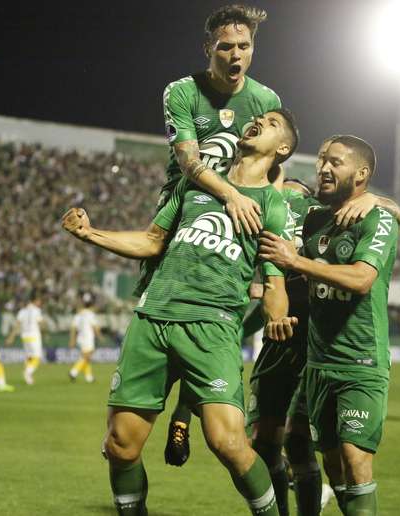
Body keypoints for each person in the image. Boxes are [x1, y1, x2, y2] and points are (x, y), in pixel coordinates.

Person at [62, 109, 300, 516]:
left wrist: (276, 316)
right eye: (258, 116)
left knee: (228, 443)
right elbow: (153, 242)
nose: (258, 120)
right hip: (153, 317)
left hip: (213, 325)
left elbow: (275, 282)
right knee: (120, 445)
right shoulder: (195, 185)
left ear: (283, 149)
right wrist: (90, 233)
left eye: (273, 122)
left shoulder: (274, 206)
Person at [145, 5, 284, 464]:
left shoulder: (265, 99)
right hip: (184, 213)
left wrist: (269, 219)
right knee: (165, 319)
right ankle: (140, 411)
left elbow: (273, 172)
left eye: (244, 46)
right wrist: (230, 196)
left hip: (238, 226)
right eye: (226, 46)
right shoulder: (182, 91)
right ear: (209, 48)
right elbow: (188, 161)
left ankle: (185, 415)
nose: (236, 54)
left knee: (221, 321)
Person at [258, 135, 399, 515]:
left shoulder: (377, 218)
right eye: (322, 160)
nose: (323, 168)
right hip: (318, 364)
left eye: (335, 162)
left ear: (361, 173)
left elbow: (361, 279)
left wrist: (297, 262)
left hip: (360, 361)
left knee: (355, 461)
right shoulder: (315, 219)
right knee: (334, 465)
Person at [5, 291, 46, 386]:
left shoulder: (22, 311)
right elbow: (41, 323)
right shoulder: (36, 310)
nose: (40, 303)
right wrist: (45, 328)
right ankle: (27, 372)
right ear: (35, 301)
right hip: (34, 336)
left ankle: (28, 378)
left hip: (25, 337)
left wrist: (11, 337)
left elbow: (17, 325)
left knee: (29, 357)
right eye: (39, 301)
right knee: (37, 358)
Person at [68, 292, 102, 383]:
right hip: (88, 338)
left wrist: (72, 340)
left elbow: (73, 328)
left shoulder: (78, 314)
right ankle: (73, 372)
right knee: (87, 357)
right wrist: (100, 336)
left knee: (86, 357)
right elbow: (95, 327)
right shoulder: (90, 314)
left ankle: (89, 377)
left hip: (80, 338)